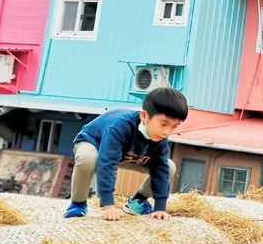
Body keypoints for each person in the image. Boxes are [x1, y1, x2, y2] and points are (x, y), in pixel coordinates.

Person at [64, 87, 188, 221]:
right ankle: (78, 204)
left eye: (174, 126)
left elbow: (161, 170)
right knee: (88, 159)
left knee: (168, 166)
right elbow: (106, 164)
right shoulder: (119, 127)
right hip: (95, 144)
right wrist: (108, 206)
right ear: (143, 116)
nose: (167, 132)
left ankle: (137, 202)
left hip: (126, 155)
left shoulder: (160, 139)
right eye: (164, 124)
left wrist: (160, 208)